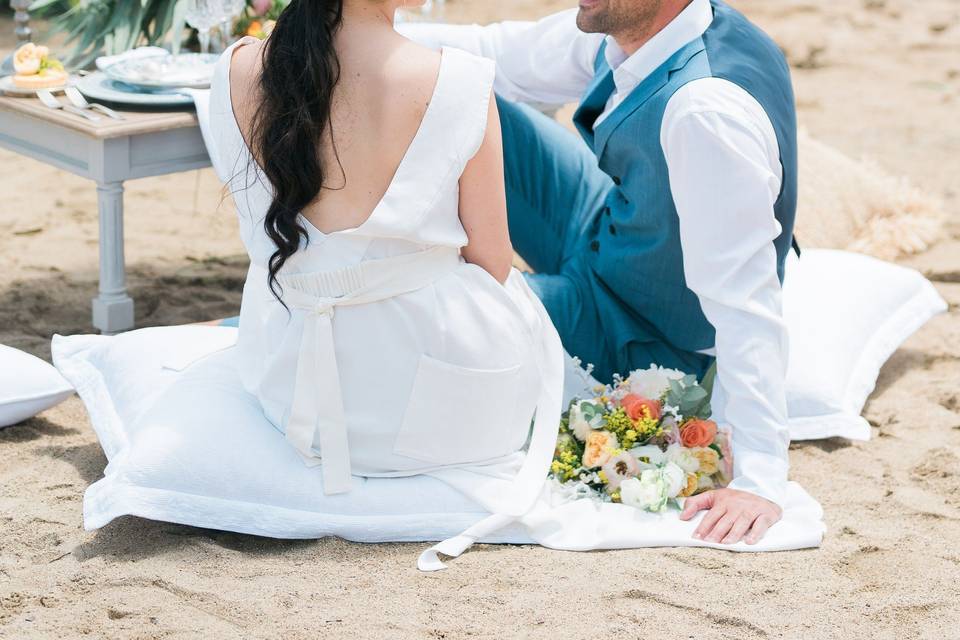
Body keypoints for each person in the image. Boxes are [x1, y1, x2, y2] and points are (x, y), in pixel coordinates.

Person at [399, 0, 796, 546]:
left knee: (423, 317)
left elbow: (747, 303)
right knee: (456, 87)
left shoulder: (705, 112)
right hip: (607, 222)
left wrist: (760, 478)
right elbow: (498, 54)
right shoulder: (633, 25)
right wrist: (347, 31)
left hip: (634, 329)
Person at [207, 0, 564, 570]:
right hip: (437, 411)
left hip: (287, 380)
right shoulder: (458, 80)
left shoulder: (235, 69)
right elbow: (492, 259)